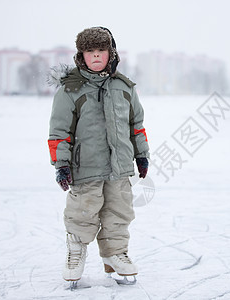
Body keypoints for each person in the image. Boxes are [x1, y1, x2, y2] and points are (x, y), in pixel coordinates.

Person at [47, 27, 149, 284]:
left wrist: (142, 155)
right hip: (86, 166)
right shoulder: (70, 89)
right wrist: (62, 163)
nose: (95, 56)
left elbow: (136, 125)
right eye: (89, 51)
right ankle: (76, 253)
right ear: (81, 55)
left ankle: (115, 255)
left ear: (110, 53)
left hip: (120, 166)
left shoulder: (124, 87)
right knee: (83, 212)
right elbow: (59, 131)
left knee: (119, 212)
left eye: (100, 51)